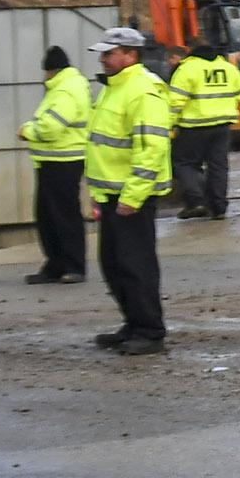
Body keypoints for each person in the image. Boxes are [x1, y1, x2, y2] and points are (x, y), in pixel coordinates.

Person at [84, 27, 173, 355]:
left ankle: (150, 331)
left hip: (130, 197)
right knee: (113, 263)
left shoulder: (142, 90)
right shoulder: (114, 87)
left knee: (136, 265)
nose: (103, 59)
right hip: (112, 194)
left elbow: (151, 148)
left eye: (109, 53)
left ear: (130, 55)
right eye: (103, 53)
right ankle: (134, 322)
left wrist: (133, 196)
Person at [21, 45, 92, 285]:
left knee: (63, 215)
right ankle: (56, 264)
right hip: (53, 160)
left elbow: (52, 127)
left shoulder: (66, 90)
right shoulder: (65, 87)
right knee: (48, 215)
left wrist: (27, 131)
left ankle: (73, 265)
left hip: (63, 160)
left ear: (51, 71)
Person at [165, 45, 240, 220]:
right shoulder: (227, 68)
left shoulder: (187, 68)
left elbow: (175, 102)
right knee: (218, 166)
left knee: (183, 164)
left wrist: (167, 125)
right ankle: (218, 208)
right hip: (222, 125)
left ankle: (197, 201)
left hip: (193, 126)